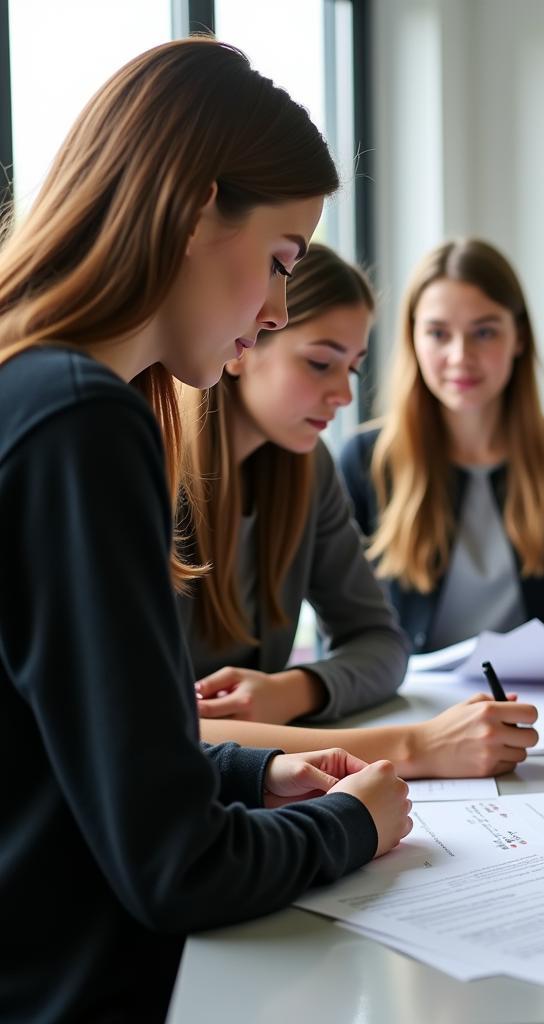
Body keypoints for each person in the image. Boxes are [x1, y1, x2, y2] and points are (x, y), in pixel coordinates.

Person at [0, 40, 411, 1022]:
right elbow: (178, 867)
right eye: (277, 261)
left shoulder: (39, 393)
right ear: (192, 210)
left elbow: (65, 760)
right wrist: (351, 823)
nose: (273, 310)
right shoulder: (78, 424)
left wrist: (252, 770)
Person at [183, 242, 539, 776]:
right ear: (243, 345)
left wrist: (295, 688)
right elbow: (153, 727)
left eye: (351, 368)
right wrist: (413, 747)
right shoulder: (149, 473)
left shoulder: (307, 469)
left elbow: (381, 642)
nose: (344, 396)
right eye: (320, 362)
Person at [339, 237, 544, 654]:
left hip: (539, 700)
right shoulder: (365, 460)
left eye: (484, 332)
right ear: (413, 341)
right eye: (438, 333)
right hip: (410, 707)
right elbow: (339, 630)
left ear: (518, 339)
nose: (461, 356)